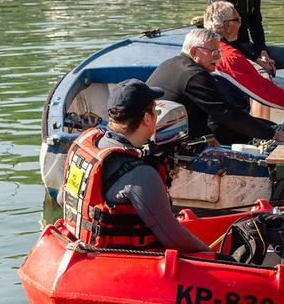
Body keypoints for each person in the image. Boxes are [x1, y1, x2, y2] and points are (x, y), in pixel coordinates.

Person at [59, 79, 210, 253]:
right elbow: (173, 239)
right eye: (155, 110)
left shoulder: (89, 147)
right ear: (147, 118)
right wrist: (218, 257)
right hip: (122, 265)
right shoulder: (140, 174)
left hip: (80, 247)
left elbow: (62, 199)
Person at [147, 29, 284, 145]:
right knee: (268, 131)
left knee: (266, 126)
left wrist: (269, 130)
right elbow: (227, 114)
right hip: (178, 140)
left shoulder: (169, 63)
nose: (218, 57)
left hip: (167, 131)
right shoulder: (194, 75)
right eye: (213, 52)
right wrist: (275, 135)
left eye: (219, 51)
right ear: (195, 51)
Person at [203, 0, 284, 113]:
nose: (241, 24)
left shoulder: (202, 50)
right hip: (229, 122)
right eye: (238, 20)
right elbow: (262, 90)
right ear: (227, 25)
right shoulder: (229, 56)